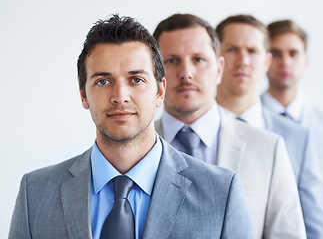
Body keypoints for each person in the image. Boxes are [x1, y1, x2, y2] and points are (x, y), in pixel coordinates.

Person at [9, 14, 255, 239]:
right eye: (103, 81)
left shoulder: (222, 193)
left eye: (136, 79)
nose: (120, 96)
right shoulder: (36, 194)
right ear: (83, 95)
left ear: (160, 91)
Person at [153, 13, 306, 239]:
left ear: (219, 68)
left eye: (198, 59)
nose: (186, 73)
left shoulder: (267, 148)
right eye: (172, 61)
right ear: (155, 72)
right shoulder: (135, 148)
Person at [215, 15, 323, 238]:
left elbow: (313, 226)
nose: (243, 61)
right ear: (216, 57)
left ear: (266, 62)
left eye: (252, 51)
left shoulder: (297, 138)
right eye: (232, 49)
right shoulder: (189, 132)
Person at [262, 19, 323, 239]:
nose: (285, 61)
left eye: (293, 53)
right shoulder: (242, 122)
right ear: (264, 60)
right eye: (275, 53)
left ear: (306, 61)